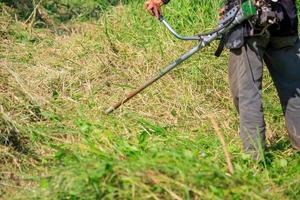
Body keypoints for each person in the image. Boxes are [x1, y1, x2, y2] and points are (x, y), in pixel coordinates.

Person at [145, 0, 300, 160]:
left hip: (250, 25)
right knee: (294, 89)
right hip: (285, 20)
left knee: (247, 94)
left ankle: (255, 158)